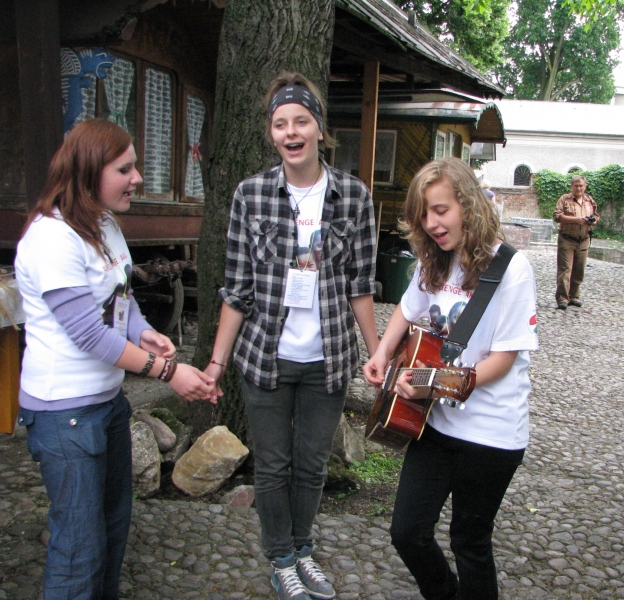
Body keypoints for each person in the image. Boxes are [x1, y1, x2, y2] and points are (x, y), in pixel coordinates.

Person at [14, 118, 216, 599]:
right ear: (88, 172)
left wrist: (145, 333)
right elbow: (87, 333)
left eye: (135, 167)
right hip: (65, 415)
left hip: (105, 406)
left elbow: (120, 298)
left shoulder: (103, 224)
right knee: (78, 551)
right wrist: (168, 372)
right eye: (124, 169)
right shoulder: (52, 238)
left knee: (109, 531)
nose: (137, 178)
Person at [204, 71, 379, 600]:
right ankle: (281, 559)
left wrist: (377, 355)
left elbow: (362, 286)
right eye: (280, 124)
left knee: (312, 465)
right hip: (266, 358)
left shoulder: (354, 196)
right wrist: (216, 364)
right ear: (271, 133)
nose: (291, 132)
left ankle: (303, 549)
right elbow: (237, 289)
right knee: (273, 466)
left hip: (329, 358)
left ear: (320, 128)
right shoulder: (251, 195)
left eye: (301, 121)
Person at [363, 157, 539, 600]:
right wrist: (382, 353)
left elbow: (502, 360)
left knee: (469, 543)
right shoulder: (436, 261)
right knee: (407, 532)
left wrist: (430, 382)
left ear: (469, 205)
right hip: (436, 424)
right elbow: (407, 308)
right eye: (424, 214)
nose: (431, 224)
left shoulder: (511, 268)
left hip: (492, 434)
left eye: (441, 210)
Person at [553, 174, 599, 309]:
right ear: (571, 186)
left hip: (583, 239)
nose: (579, 188)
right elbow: (557, 216)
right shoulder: (564, 199)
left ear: (585, 186)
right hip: (567, 239)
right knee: (565, 269)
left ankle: (574, 296)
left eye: (581, 186)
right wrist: (576, 220)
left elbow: (596, 215)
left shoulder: (589, 200)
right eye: (576, 186)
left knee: (579, 270)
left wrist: (593, 220)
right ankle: (562, 298)